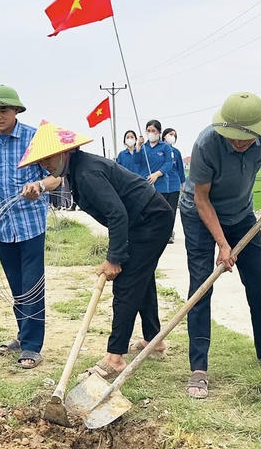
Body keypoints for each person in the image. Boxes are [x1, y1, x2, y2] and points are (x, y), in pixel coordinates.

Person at [17, 121, 173, 377]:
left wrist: (114, 259)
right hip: (139, 220)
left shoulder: (86, 173)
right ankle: (154, 340)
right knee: (141, 278)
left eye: (49, 158)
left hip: (150, 220)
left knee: (127, 282)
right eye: (41, 160)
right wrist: (40, 186)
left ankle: (115, 357)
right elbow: (55, 181)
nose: (45, 164)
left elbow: (117, 214)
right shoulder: (75, 168)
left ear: (65, 151)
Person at [180, 91, 261, 400]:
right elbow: (202, 199)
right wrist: (223, 245)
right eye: (233, 137)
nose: (239, 143)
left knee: (258, 278)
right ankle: (199, 367)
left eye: (246, 139)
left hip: (241, 214)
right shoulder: (206, 144)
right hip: (199, 214)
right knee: (202, 284)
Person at [0, 85, 51, 369]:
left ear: (16, 110)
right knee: (17, 287)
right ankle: (22, 334)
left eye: (3, 110)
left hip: (30, 224)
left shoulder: (34, 138)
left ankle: (32, 346)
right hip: (3, 227)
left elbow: (56, 176)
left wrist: (39, 185)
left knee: (32, 286)